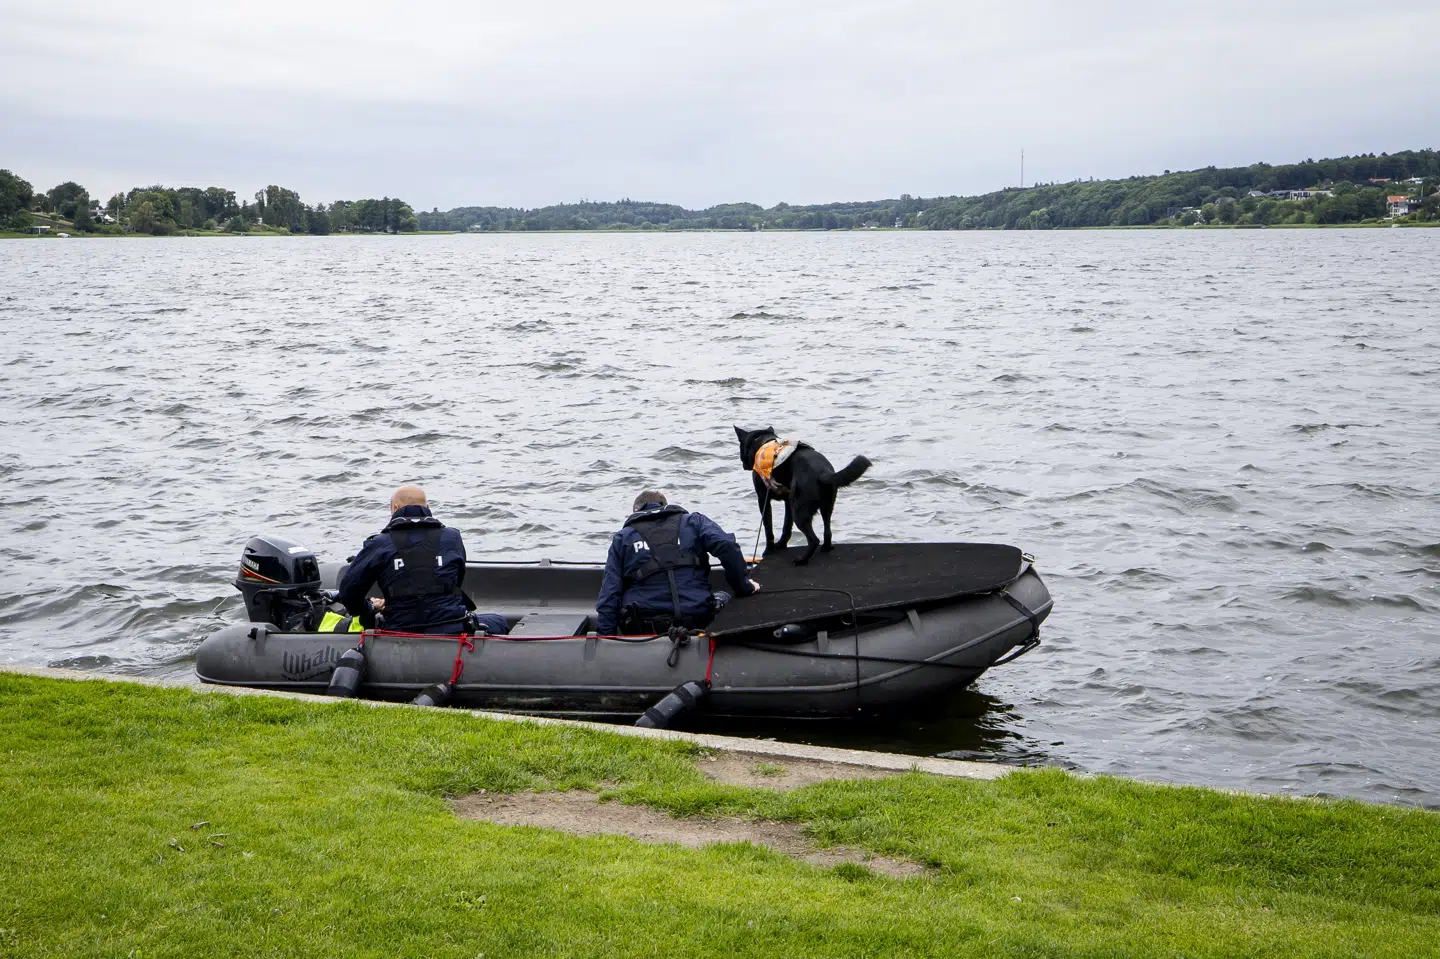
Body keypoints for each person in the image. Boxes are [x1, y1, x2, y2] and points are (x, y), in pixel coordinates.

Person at [337, 485, 508, 635]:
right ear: (428, 507)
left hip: (399, 629)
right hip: (451, 627)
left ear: (394, 508)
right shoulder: (452, 537)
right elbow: (457, 580)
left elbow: (348, 594)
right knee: (498, 621)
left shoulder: (379, 543)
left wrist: (370, 608)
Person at [595, 489, 760, 635]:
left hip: (645, 624)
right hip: (697, 617)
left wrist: (605, 639)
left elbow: (609, 595)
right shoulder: (694, 522)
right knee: (722, 597)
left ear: (637, 510)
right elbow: (727, 545)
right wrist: (744, 586)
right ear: (664, 504)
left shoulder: (623, 537)